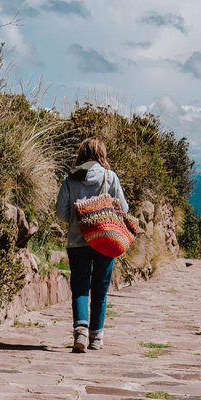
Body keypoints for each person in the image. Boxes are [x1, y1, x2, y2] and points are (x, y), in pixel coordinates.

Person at [56, 137, 129, 353]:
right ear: (101, 154)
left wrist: (78, 219)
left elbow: (62, 213)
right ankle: (96, 337)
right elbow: (123, 209)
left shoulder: (70, 179)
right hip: (105, 241)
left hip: (77, 242)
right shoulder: (110, 177)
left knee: (80, 287)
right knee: (100, 288)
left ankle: (80, 331)